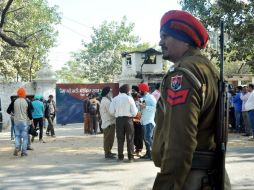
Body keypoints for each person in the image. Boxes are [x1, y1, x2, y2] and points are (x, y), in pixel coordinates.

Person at [152, 10, 231, 189]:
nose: (160, 42)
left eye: (165, 36)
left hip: (190, 178)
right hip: (208, 175)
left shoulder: (182, 74)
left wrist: (166, 185)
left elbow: (180, 141)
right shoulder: (207, 69)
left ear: (184, 40)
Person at [109, 84, 138, 162]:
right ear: (127, 90)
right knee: (130, 138)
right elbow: (135, 112)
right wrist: (131, 115)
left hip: (119, 120)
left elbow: (111, 111)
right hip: (128, 120)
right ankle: (130, 157)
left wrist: (116, 114)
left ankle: (120, 157)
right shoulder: (129, 98)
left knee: (120, 138)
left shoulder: (115, 99)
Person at [7, 88, 33, 157]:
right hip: (24, 122)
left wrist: (13, 114)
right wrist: (31, 120)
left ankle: (17, 147)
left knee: (17, 136)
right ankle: (23, 152)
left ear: (18, 94)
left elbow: (8, 111)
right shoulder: (27, 101)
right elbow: (30, 113)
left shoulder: (14, 101)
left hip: (16, 122)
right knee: (25, 138)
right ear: (24, 94)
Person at [138, 83, 156, 160]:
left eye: (140, 90)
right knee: (146, 139)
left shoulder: (150, 97)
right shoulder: (143, 98)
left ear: (143, 90)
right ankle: (148, 154)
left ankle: (154, 155)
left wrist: (145, 106)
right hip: (144, 121)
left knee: (148, 138)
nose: (139, 91)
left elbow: (155, 108)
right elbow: (142, 109)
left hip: (149, 121)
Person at [100, 86, 116, 159]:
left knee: (110, 138)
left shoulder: (108, 99)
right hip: (108, 123)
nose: (111, 93)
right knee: (108, 139)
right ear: (107, 93)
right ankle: (107, 153)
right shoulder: (106, 101)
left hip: (110, 122)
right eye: (110, 92)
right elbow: (111, 112)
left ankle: (109, 152)